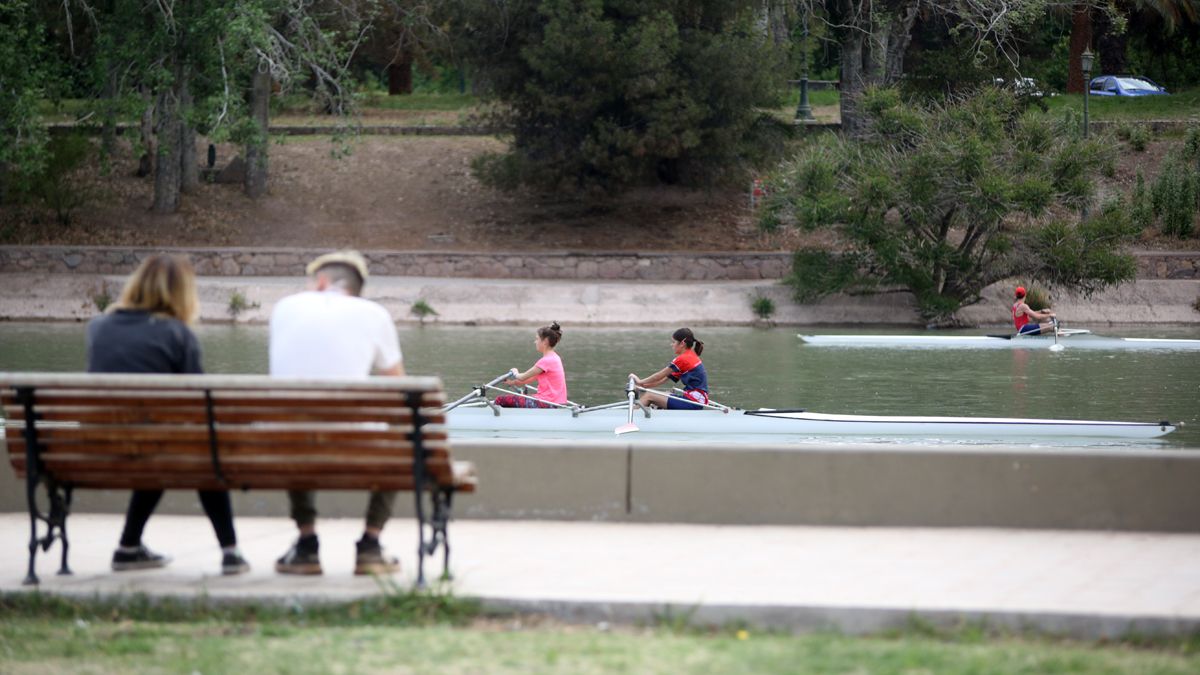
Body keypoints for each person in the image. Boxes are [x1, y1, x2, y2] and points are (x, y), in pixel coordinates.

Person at [86, 254, 249, 576]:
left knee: (158, 445)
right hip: (155, 446)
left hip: (99, 447)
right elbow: (199, 402)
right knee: (203, 454)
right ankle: (230, 551)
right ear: (181, 293)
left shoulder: (98, 327)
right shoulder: (176, 333)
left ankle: (128, 547)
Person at [269, 250, 405, 576]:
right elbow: (400, 389)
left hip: (284, 448)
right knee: (401, 438)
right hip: (355, 446)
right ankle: (370, 546)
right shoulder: (374, 313)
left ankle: (306, 545)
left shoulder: (285, 307)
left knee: (295, 427)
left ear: (320, 282)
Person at [629, 328, 709, 410]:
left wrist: (640, 381)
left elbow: (659, 376)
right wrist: (642, 386)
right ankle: (638, 414)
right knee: (662, 394)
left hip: (693, 402)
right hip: (695, 400)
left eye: (673, 342)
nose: (672, 344)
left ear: (682, 343)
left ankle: (631, 417)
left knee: (649, 396)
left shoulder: (683, 359)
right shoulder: (690, 355)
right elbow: (662, 380)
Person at [494, 322, 568, 408]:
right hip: (552, 403)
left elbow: (522, 377)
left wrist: (515, 372)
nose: (535, 342)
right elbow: (529, 379)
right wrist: (512, 382)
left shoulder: (545, 361)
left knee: (500, 400)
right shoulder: (555, 358)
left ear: (545, 341)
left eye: (537, 339)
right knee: (514, 401)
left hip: (544, 403)